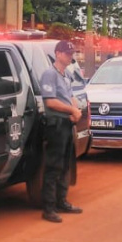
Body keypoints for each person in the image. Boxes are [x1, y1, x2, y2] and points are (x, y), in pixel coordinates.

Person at [39, 40, 83, 223]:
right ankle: (49, 208)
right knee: (53, 166)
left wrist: (76, 111)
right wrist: (72, 110)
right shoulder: (49, 74)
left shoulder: (67, 74)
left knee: (65, 165)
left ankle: (61, 201)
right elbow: (50, 101)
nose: (70, 56)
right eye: (67, 53)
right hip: (56, 124)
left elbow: (70, 96)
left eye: (72, 54)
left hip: (67, 123)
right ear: (58, 53)